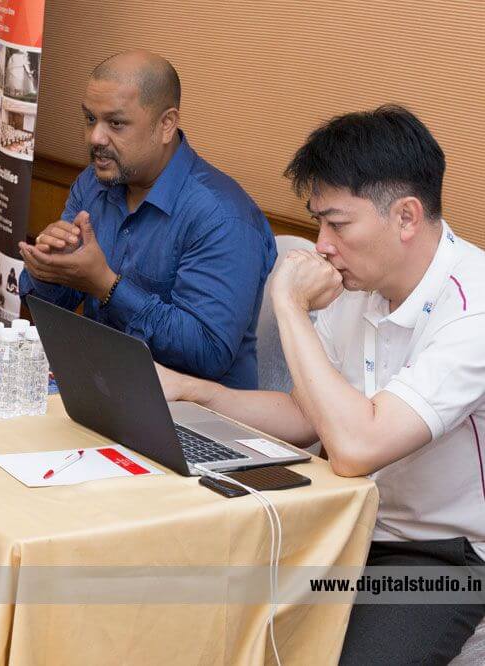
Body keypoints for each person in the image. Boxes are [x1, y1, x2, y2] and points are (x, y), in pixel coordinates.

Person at [157, 106, 485, 665]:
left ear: (406, 216)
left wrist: (288, 304)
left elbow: (356, 447)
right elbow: (309, 415)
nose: (322, 245)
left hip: (443, 556)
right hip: (343, 517)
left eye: (337, 223)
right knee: (193, 612)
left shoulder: (471, 310)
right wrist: (191, 391)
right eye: (318, 223)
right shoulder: (363, 284)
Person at [19, 51, 276, 389]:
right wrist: (47, 271)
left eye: (116, 123)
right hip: (104, 387)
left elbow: (209, 353)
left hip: (197, 418)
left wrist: (107, 286)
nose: (95, 137)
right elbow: (48, 306)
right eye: (89, 119)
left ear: (166, 124)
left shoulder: (223, 217)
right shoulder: (94, 184)